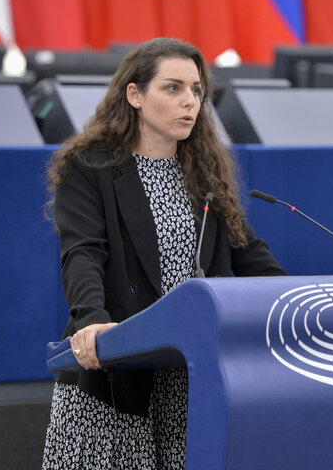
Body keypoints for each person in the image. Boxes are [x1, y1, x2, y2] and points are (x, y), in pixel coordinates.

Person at [42, 37, 286, 469]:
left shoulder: (204, 174)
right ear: (134, 95)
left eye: (196, 91)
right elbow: (83, 253)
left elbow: (249, 257)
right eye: (173, 88)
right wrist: (95, 323)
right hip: (115, 375)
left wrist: (301, 304)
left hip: (190, 381)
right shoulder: (91, 167)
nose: (189, 101)